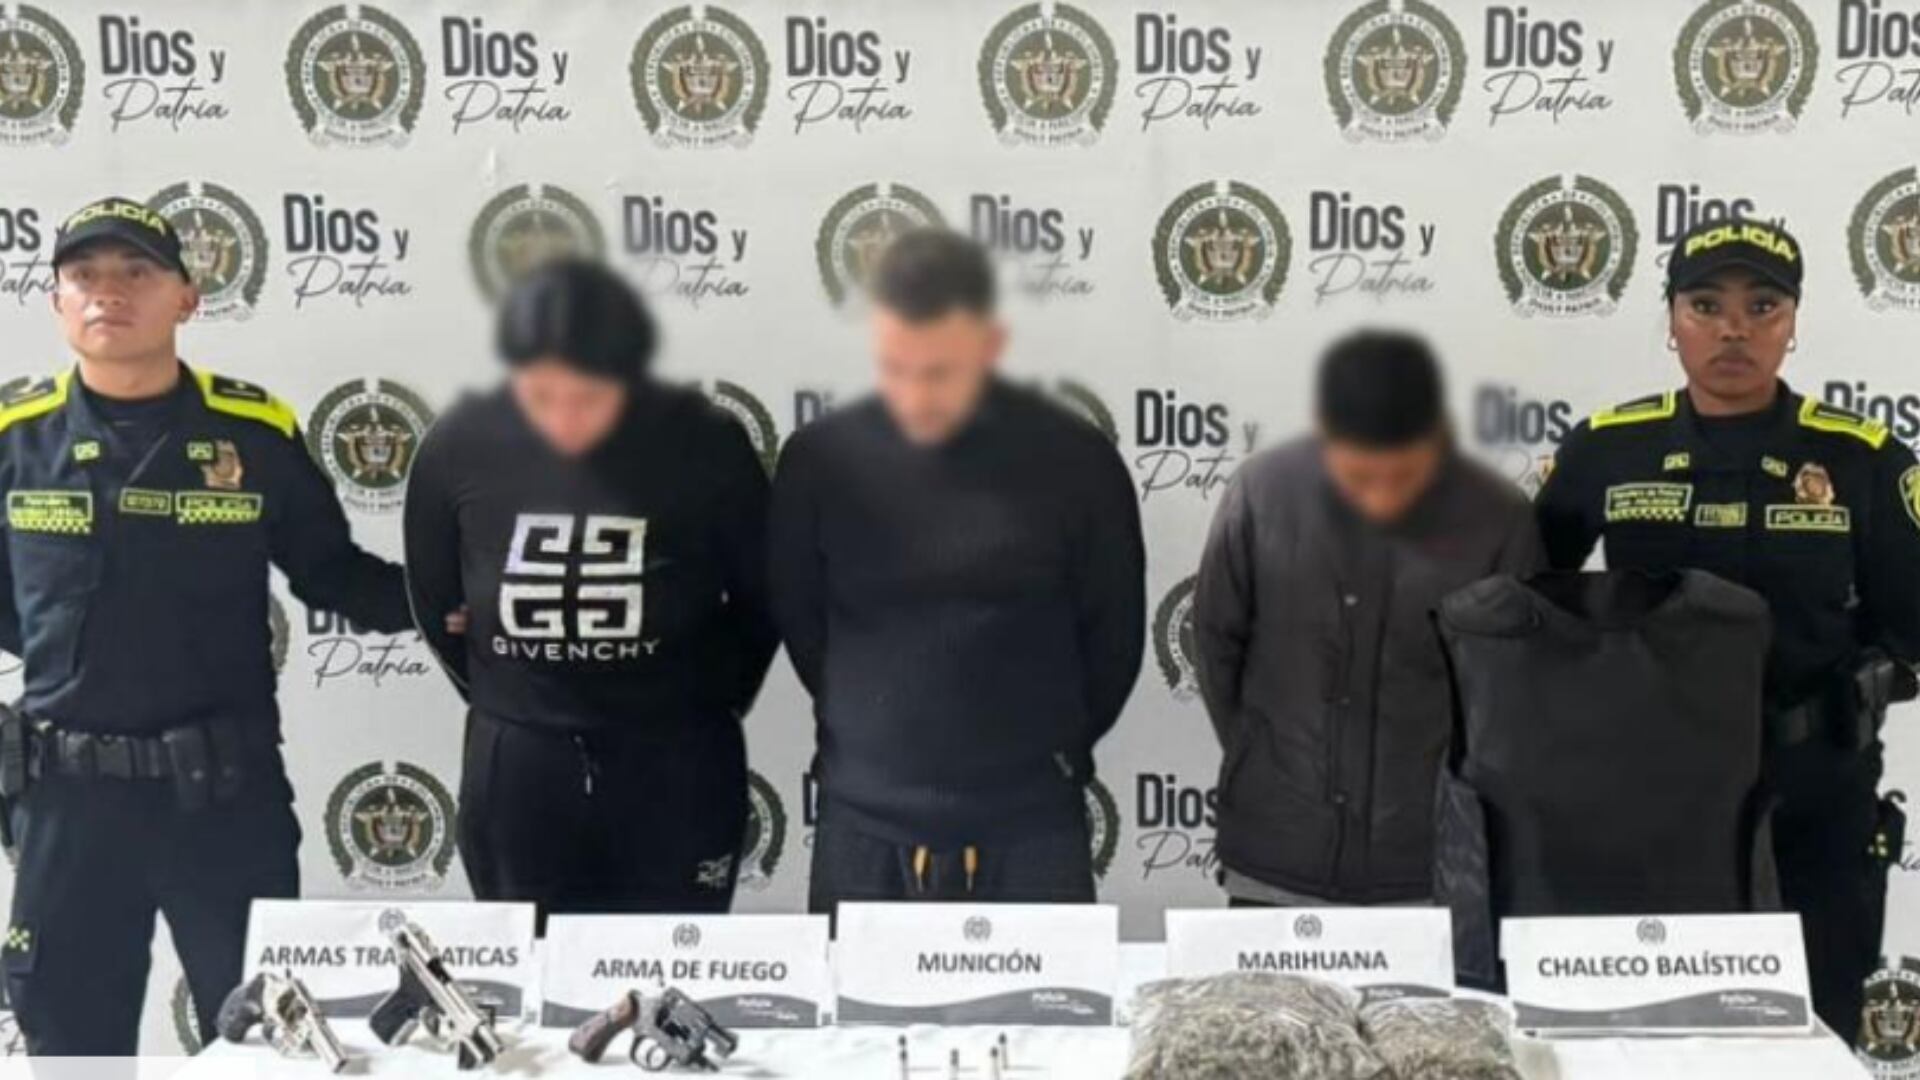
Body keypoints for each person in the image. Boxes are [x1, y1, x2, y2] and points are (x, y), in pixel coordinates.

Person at [0, 197, 409, 1054]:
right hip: (69, 804)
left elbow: (333, 574)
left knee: (266, 1044)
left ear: (187, 297)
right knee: (71, 1049)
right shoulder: (16, 437)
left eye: (137, 272)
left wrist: (458, 603)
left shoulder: (253, 432)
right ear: (56, 300)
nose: (109, 291)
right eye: (85, 275)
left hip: (224, 799)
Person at [1536, 217, 1920, 1040]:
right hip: (1647, 794)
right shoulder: (1609, 450)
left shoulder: (1863, 458)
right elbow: (1523, 607)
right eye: (1706, 305)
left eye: (1762, 306)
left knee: (1816, 1035)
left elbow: (1913, 626)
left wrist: (1866, 684)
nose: (1734, 329)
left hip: (1814, 796)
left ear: (1793, 321)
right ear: (1672, 321)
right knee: (1648, 1037)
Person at [769, 229, 1143, 913]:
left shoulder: (1077, 462)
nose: (916, 395)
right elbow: (803, 624)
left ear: (990, 345)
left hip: (1032, 824)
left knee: (1054, 996)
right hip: (864, 824)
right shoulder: (819, 462)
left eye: (940, 371)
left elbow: (1113, 639)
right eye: (896, 366)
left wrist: (1046, 752)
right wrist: (880, 735)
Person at [403, 258, 776, 924]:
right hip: (520, 770)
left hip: (677, 762)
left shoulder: (708, 442)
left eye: (590, 396)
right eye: (543, 395)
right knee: (527, 972)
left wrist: (700, 701)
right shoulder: (458, 445)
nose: (566, 418)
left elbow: (763, 598)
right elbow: (438, 605)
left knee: (671, 969)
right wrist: (519, 702)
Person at [1194, 329, 1542, 909]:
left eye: (1402, 477)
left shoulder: (1499, 517)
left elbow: (1514, 694)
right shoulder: (1259, 493)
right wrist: (1265, 757)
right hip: (1276, 856)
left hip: (1428, 872)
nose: (1381, 498)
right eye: (1359, 478)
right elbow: (1216, 645)